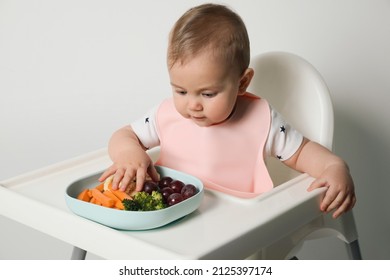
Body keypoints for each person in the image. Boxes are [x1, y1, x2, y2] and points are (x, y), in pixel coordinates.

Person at [99, 3, 356, 219]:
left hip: (239, 227)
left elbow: (302, 153)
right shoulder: (165, 115)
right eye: (180, 91)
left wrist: (334, 167)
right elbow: (124, 134)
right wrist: (129, 154)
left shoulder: (262, 120)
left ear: (242, 83)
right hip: (172, 220)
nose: (193, 105)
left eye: (208, 94)